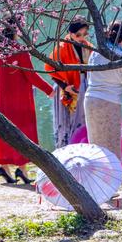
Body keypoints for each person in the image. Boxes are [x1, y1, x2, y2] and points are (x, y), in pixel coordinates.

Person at [0, 20, 53, 184]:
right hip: (20, 97)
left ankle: (4, 167)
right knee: (24, 131)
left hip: (4, 97)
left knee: (5, 129)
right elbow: (31, 75)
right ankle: (22, 169)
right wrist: (50, 90)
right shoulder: (19, 50)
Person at [84, 21, 122, 161]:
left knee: (96, 145)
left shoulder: (96, 51)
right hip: (109, 102)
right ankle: (114, 179)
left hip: (90, 100)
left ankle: (100, 179)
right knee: (111, 143)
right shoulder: (120, 56)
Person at [45, 17, 91, 148]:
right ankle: (66, 149)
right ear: (70, 34)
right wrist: (65, 87)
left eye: (85, 34)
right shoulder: (61, 48)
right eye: (78, 35)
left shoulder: (87, 46)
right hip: (66, 87)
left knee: (83, 120)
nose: (82, 37)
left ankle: (81, 147)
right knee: (66, 121)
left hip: (84, 85)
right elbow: (49, 68)